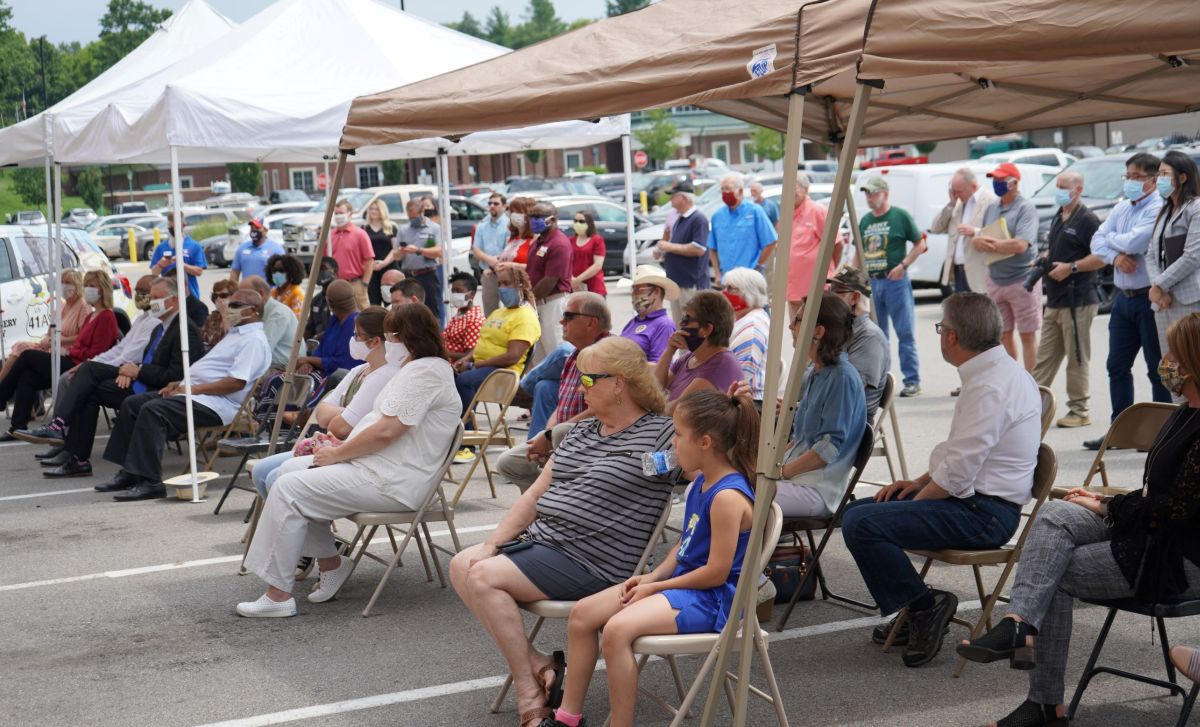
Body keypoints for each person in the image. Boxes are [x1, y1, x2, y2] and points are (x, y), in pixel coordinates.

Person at [957, 312, 1200, 727]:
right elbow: (1153, 496)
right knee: (1055, 514)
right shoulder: (1182, 414)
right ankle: (1019, 626)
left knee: (1053, 571)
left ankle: (1044, 703)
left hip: (1179, 557)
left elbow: (1176, 511)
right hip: (1148, 531)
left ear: (1193, 362)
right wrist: (1103, 500)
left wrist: (1107, 507)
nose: (1166, 361)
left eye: (1173, 353)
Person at [449, 335, 678, 727]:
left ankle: (528, 689)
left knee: (483, 575)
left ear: (619, 383)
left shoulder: (662, 433)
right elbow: (534, 496)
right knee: (462, 563)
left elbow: (710, 466)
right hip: (546, 545)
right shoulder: (582, 431)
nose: (578, 387)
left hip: (597, 560)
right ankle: (538, 666)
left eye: (587, 379)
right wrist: (492, 542)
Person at [841, 293, 1040, 668]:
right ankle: (915, 604)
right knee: (859, 513)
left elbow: (957, 473)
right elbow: (959, 454)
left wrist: (914, 504)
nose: (940, 336)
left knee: (862, 523)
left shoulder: (990, 386)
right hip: (977, 504)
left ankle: (923, 607)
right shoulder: (996, 373)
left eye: (940, 329)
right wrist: (917, 483)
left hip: (984, 513)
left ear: (952, 336)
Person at [547, 390, 758, 727]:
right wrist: (652, 577)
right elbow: (685, 545)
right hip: (684, 588)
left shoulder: (727, 497)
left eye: (678, 435)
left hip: (713, 600)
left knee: (616, 630)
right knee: (582, 614)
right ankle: (567, 718)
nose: (672, 442)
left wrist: (657, 587)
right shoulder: (702, 482)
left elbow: (716, 573)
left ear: (705, 442)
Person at [236, 303, 460, 617]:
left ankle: (278, 596)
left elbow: (386, 431)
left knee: (289, 489)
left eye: (391, 337)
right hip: (379, 466)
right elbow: (379, 426)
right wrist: (340, 450)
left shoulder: (426, 371)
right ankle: (331, 563)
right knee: (286, 471)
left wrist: (338, 453)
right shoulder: (417, 367)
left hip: (393, 480)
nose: (388, 344)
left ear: (407, 337)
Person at [95, 288, 271, 501]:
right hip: (197, 395)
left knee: (153, 411)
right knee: (133, 404)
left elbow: (236, 382)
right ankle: (130, 472)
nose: (228, 308)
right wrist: (181, 383)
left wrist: (193, 389)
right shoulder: (237, 334)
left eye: (235, 305)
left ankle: (150, 482)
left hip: (217, 404)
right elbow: (212, 370)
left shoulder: (253, 340)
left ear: (252, 311)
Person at [37, 277, 201, 478]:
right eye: (151, 297)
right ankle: (77, 459)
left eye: (156, 298)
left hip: (158, 390)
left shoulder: (185, 330)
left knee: (88, 369)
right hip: (141, 380)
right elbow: (145, 360)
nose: (151, 302)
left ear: (174, 300)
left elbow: (176, 376)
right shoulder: (161, 327)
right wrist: (131, 370)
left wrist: (137, 371)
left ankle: (58, 426)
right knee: (88, 388)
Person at [249, 306, 403, 500]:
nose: (352, 339)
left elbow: (341, 428)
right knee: (261, 471)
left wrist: (340, 415)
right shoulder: (360, 370)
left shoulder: (384, 375)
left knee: (274, 478)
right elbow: (321, 414)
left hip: (351, 452)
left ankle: (296, 516)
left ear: (375, 341)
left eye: (357, 335)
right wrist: (347, 412)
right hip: (330, 445)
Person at [1083, 152, 1170, 450]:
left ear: (1152, 180)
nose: (1130, 182)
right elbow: (1096, 240)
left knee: (1157, 368)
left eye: (1136, 177)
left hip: (1148, 297)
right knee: (1117, 365)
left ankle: (1161, 432)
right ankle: (1120, 430)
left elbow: (1137, 241)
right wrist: (1116, 257)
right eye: (1128, 176)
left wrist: (1114, 243)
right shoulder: (1121, 207)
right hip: (1123, 299)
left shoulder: (1157, 207)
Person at [496, 291, 610, 489]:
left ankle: (553, 499)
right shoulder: (574, 354)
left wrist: (550, 438)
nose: (561, 321)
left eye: (569, 316)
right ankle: (549, 500)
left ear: (591, 323)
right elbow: (561, 405)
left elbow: (599, 410)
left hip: (591, 439)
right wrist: (547, 434)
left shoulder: (605, 353)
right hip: (562, 436)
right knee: (509, 463)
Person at [774, 295, 867, 517]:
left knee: (733, 496)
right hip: (798, 479)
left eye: (798, 320)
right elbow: (800, 439)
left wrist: (781, 472)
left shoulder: (842, 378)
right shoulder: (817, 371)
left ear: (818, 331)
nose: (791, 326)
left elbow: (827, 450)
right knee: (723, 484)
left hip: (817, 489)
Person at [0, 269, 120, 439]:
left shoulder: (106, 317)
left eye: (92, 286)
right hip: (70, 358)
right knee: (28, 376)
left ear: (103, 289)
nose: (87, 289)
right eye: (86, 285)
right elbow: (79, 344)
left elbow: (97, 353)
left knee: (26, 355)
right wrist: (65, 348)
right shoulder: (92, 316)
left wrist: (68, 350)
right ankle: (17, 427)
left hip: (80, 366)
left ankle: (1, 397)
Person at [1031, 170, 1102, 428]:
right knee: (1044, 359)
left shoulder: (1087, 220)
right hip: (1055, 299)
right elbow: (1058, 248)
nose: (1059, 191)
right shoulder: (1059, 215)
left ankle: (1079, 410)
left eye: (1064, 186)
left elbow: (1101, 256)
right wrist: (1044, 259)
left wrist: (1071, 267)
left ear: (1078, 189)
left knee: (1076, 357)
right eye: (1058, 186)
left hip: (1078, 300)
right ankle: (1031, 408)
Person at [858, 176, 926, 398]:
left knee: (905, 332)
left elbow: (920, 244)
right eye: (867, 193)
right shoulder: (865, 221)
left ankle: (912, 380)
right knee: (878, 335)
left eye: (873, 193)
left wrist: (903, 266)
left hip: (895, 281)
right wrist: (855, 280)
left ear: (885, 194)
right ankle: (881, 382)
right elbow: (859, 253)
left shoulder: (899, 216)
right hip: (872, 282)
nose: (869, 197)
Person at [974, 162, 1041, 373]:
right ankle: (1012, 379)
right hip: (996, 279)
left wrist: (993, 245)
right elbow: (979, 238)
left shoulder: (1025, 208)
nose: (997, 183)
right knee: (1002, 335)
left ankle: (1032, 383)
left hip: (1022, 280)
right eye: (995, 179)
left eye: (1001, 180)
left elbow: (1021, 245)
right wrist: (982, 242)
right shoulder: (992, 207)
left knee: (1027, 335)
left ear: (1014, 182)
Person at [453, 267, 540, 415]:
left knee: (464, 381)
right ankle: (453, 422)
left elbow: (512, 357)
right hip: (482, 369)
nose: (502, 288)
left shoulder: (525, 317)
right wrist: (465, 359)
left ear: (520, 286)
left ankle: (465, 426)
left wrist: (474, 365)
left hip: (503, 373)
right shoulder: (497, 313)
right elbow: (483, 344)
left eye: (506, 283)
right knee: (445, 377)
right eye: (499, 284)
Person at [1148, 150, 1200, 365]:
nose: (1159, 179)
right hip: (1162, 302)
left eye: (1164, 174)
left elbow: (1192, 256)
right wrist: (1158, 288)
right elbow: (1150, 255)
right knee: (1170, 365)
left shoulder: (1195, 208)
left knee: (1191, 362)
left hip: (1188, 298)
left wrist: (1160, 285)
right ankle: (1174, 392)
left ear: (1183, 177)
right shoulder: (1165, 211)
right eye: (1158, 174)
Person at [654, 290, 743, 413]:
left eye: (686, 320)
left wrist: (649, 409)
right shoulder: (690, 357)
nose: (681, 324)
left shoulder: (721, 364)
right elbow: (656, 389)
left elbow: (676, 410)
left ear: (707, 329)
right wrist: (669, 351)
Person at [0, 269, 90, 387]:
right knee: (20, 350)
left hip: (67, 353)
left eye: (68, 282)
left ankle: (3, 387)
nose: (64, 285)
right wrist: (47, 339)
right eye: (62, 282)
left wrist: (60, 340)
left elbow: (83, 336)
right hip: (51, 347)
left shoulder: (83, 306)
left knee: (24, 354)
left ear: (77, 285)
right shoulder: (62, 306)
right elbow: (50, 332)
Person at [826, 268, 891, 421]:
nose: (828, 298)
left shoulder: (869, 337)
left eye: (836, 292)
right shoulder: (841, 330)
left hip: (847, 423)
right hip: (827, 414)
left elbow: (847, 391)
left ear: (855, 297)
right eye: (829, 291)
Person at [931, 167, 995, 294]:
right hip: (959, 273)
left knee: (980, 307)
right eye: (953, 191)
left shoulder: (990, 201)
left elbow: (998, 235)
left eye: (959, 191)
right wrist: (951, 204)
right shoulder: (957, 204)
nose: (956, 195)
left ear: (973, 186)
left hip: (979, 274)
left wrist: (975, 232)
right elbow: (936, 228)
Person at [786, 173, 842, 317]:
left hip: (816, 291)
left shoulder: (818, 211)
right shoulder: (786, 214)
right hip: (793, 292)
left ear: (806, 189)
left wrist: (828, 271)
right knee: (796, 329)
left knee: (818, 328)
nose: (790, 192)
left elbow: (837, 244)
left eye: (794, 188)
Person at [526, 201, 573, 362]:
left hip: (553, 304)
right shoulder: (538, 242)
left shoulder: (559, 243)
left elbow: (549, 281)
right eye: (531, 216)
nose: (533, 220)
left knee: (556, 352)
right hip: (537, 304)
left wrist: (528, 299)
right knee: (538, 356)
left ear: (552, 219)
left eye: (537, 217)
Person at [708, 172, 777, 279]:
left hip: (749, 278)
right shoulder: (717, 216)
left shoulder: (755, 211)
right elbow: (712, 247)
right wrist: (717, 273)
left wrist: (757, 266)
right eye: (722, 189)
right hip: (726, 278)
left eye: (728, 189)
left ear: (740, 191)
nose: (725, 193)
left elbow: (771, 241)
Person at [655, 191, 710, 321]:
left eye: (674, 196)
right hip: (677, 282)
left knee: (692, 324)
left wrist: (669, 247)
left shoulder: (698, 219)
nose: (670, 199)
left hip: (690, 283)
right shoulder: (680, 219)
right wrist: (663, 251)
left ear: (684, 198)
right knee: (679, 324)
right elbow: (677, 244)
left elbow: (699, 248)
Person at [389, 198, 444, 322]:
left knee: (431, 311)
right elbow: (396, 256)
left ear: (422, 211)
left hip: (428, 274)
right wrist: (401, 251)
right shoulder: (404, 229)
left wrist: (418, 250)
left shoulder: (434, 228)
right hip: (409, 275)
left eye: (415, 217)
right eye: (410, 217)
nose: (413, 220)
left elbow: (439, 252)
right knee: (409, 311)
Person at [723, 267, 771, 403]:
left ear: (749, 292)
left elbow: (739, 376)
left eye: (730, 289)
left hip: (748, 402)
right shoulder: (742, 318)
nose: (724, 293)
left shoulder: (753, 327)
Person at [619, 265, 677, 364]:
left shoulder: (664, 324)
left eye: (639, 290)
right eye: (633, 290)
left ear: (656, 292)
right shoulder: (634, 321)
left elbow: (659, 365)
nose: (634, 294)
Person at [239, 276, 299, 370]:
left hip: (284, 370)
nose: (241, 300)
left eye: (246, 296)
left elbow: (261, 350)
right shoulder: (257, 311)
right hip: (268, 365)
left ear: (260, 294)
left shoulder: (278, 314)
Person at [328, 198, 373, 311]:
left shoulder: (360, 234)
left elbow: (369, 260)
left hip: (355, 283)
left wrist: (364, 284)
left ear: (350, 214)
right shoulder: (330, 236)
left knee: (363, 314)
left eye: (341, 213)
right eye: (336, 213)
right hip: (336, 283)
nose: (338, 216)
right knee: (338, 314)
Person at [150, 218, 207, 302]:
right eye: (170, 227)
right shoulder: (161, 247)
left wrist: (181, 264)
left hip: (190, 296)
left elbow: (199, 271)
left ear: (183, 225)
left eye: (174, 226)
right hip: (168, 297)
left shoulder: (194, 246)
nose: (172, 229)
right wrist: (160, 265)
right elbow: (154, 273)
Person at [472, 192, 511, 315]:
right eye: (490, 203)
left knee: (511, 309)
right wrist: (490, 261)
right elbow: (476, 251)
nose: (492, 206)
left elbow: (509, 249)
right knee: (490, 313)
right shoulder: (481, 226)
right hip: (488, 275)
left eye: (496, 203)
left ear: (504, 206)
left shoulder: (510, 225)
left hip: (507, 273)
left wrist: (495, 264)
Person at [443, 271, 485, 361]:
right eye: (453, 291)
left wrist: (442, 353)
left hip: (456, 366)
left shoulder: (474, 320)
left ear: (472, 294)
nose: (454, 295)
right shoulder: (459, 315)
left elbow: (471, 356)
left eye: (458, 291)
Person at [363, 199, 398, 306]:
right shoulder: (364, 229)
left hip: (389, 269)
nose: (373, 211)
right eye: (371, 209)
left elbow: (395, 249)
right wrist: (370, 264)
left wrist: (383, 263)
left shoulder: (391, 227)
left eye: (377, 209)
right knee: (374, 303)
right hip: (371, 271)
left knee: (391, 302)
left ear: (382, 211)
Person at [229, 217, 284, 284]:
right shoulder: (242, 248)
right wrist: (232, 288)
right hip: (247, 290)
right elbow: (235, 272)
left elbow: (283, 275)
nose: (254, 231)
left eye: (257, 228)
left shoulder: (276, 249)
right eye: (252, 228)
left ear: (265, 230)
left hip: (268, 290)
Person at [569, 211, 606, 296]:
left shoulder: (597, 240)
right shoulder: (570, 241)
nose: (578, 224)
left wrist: (578, 280)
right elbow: (565, 263)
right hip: (575, 288)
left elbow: (597, 265)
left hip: (594, 287)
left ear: (589, 223)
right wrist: (572, 279)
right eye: (575, 221)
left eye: (581, 221)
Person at [495, 196, 535, 277]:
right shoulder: (512, 238)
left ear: (528, 215)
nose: (514, 214)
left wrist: (512, 266)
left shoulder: (535, 239)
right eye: (512, 211)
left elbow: (536, 268)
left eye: (519, 212)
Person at [304, 257, 339, 341]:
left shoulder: (342, 296)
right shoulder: (316, 300)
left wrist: (318, 337)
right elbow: (310, 328)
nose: (319, 272)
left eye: (323, 268)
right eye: (317, 269)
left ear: (334, 271)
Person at [202, 279, 237, 352]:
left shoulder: (239, 317)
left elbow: (230, 340)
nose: (218, 299)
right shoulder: (213, 316)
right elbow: (203, 339)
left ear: (233, 296)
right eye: (215, 296)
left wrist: (224, 314)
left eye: (223, 295)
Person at [267, 253, 306, 318]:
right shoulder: (272, 292)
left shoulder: (297, 293)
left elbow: (297, 320)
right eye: (274, 270)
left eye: (281, 270)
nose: (277, 273)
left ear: (291, 272)